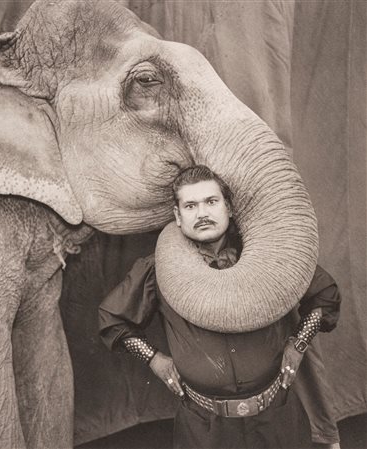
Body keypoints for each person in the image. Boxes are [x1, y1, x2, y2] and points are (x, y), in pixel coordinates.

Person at [99, 165, 341, 449]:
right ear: (177, 216)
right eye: (190, 205)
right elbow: (111, 320)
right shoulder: (160, 269)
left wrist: (299, 344)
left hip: (277, 420)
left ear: (228, 207)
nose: (202, 213)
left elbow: (324, 295)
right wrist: (154, 359)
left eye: (211, 202)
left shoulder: (269, 254)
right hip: (204, 430)